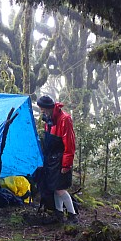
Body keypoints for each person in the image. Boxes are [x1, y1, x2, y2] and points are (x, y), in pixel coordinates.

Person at [36, 95, 78, 224]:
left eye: (43, 109)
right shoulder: (49, 121)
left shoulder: (65, 119)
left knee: (60, 188)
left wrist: (66, 165)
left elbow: (69, 144)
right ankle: (58, 214)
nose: (42, 112)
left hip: (60, 159)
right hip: (51, 159)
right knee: (54, 187)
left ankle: (72, 215)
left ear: (49, 108)